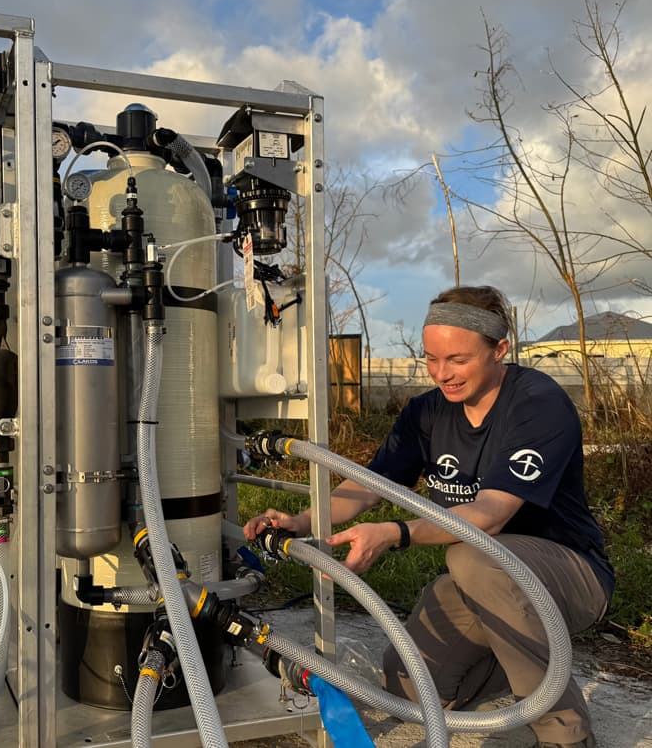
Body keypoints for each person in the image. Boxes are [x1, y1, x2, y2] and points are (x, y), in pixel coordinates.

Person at [244, 285, 613, 748]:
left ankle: (566, 734)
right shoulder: (426, 413)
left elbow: (491, 514)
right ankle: (516, 657)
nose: (442, 374)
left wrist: (396, 534)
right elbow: (366, 486)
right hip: (485, 584)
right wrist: (300, 521)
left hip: (569, 575)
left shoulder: (537, 404)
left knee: (471, 556)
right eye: (431, 359)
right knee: (409, 686)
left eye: (457, 359)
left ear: (500, 349)